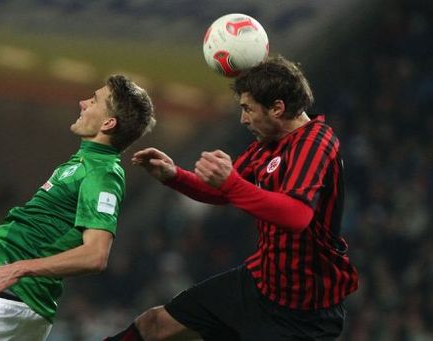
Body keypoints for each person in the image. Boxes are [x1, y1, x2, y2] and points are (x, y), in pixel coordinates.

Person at [106, 56, 358, 340]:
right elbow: (222, 191)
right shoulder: (268, 144)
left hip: (305, 314)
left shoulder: (315, 144)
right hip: (260, 284)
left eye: (248, 109)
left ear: (277, 108)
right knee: (155, 323)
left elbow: (296, 215)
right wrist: (173, 175)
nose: (243, 119)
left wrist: (231, 182)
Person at [0, 74, 156, 340]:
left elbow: (95, 254)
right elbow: (40, 234)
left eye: (93, 100)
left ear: (108, 122)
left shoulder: (103, 173)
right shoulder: (81, 163)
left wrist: (18, 269)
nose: (82, 103)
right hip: (4, 298)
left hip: (12, 304)